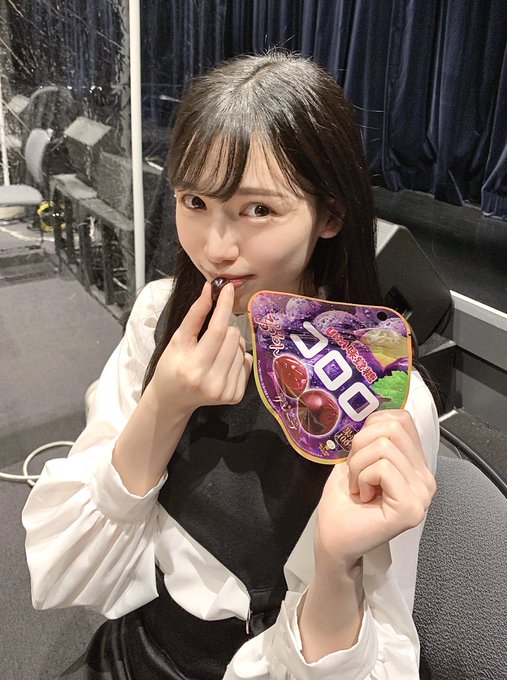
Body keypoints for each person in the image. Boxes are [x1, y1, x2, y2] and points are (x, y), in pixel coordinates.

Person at [22, 51, 438, 679]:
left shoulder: (382, 399)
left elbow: (382, 650)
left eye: (258, 210)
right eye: (194, 201)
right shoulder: (159, 314)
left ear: (330, 214)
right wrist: (164, 404)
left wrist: (335, 564)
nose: (215, 249)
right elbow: (65, 568)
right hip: (132, 651)